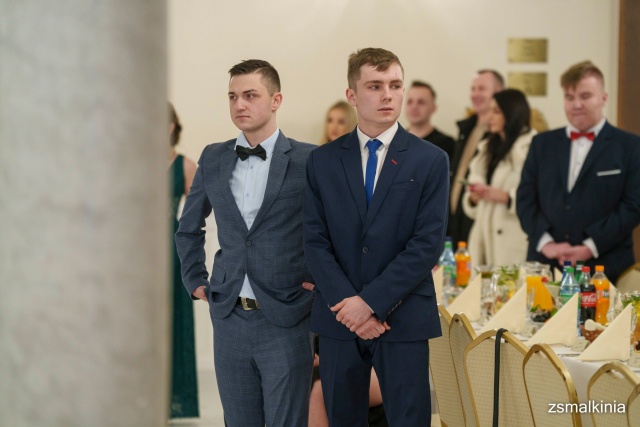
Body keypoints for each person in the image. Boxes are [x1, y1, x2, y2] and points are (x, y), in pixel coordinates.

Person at [304, 47, 448, 426]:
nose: (388, 95)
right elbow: (315, 242)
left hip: (403, 317)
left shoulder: (431, 160)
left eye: (395, 85)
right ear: (352, 95)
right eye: (375, 86)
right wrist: (350, 307)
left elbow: (426, 245)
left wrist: (369, 303)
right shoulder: (322, 161)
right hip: (339, 319)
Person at [175, 59, 315, 426]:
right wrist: (195, 279)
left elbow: (334, 229)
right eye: (233, 96)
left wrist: (321, 283)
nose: (240, 104)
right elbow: (188, 227)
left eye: (250, 95)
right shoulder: (213, 157)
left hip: (287, 315)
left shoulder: (309, 159)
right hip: (229, 316)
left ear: (276, 100)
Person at [517, 60, 640, 284]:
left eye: (585, 96)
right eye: (569, 97)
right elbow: (525, 199)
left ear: (603, 98)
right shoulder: (541, 144)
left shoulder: (630, 146)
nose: (576, 105)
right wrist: (547, 244)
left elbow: (633, 206)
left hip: (606, 268)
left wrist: (590, 247)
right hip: (545, 267)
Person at [461, 89, 536, 269]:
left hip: (513, 238)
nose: (489, 117)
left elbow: (539, 194)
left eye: (496, 112)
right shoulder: (487, 147)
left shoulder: (531, 147)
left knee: (508, 283)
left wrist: (507, 197)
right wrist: (473, 198)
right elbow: (472, 191)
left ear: (512, 114)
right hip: (482, 236)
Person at [168, 103, 199, 418]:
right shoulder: (137, 164)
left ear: (171, 126)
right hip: (142, 251)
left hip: (172, 250)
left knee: (176, 317)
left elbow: (200, 214)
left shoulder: (186, 165)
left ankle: (178, 401)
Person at [449, 69, 504, 246]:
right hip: (454, 223)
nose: (475, 94)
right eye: (473, 89)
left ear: (499, 92)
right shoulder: (466, 128)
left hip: (482, 226)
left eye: (482, 89)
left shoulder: (501, 135)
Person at [405, 80, 456, 167]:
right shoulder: (394, 141)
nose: (414, 107)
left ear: (433, 108)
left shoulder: (447, 145)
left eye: (421, 102)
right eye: (410, 102)